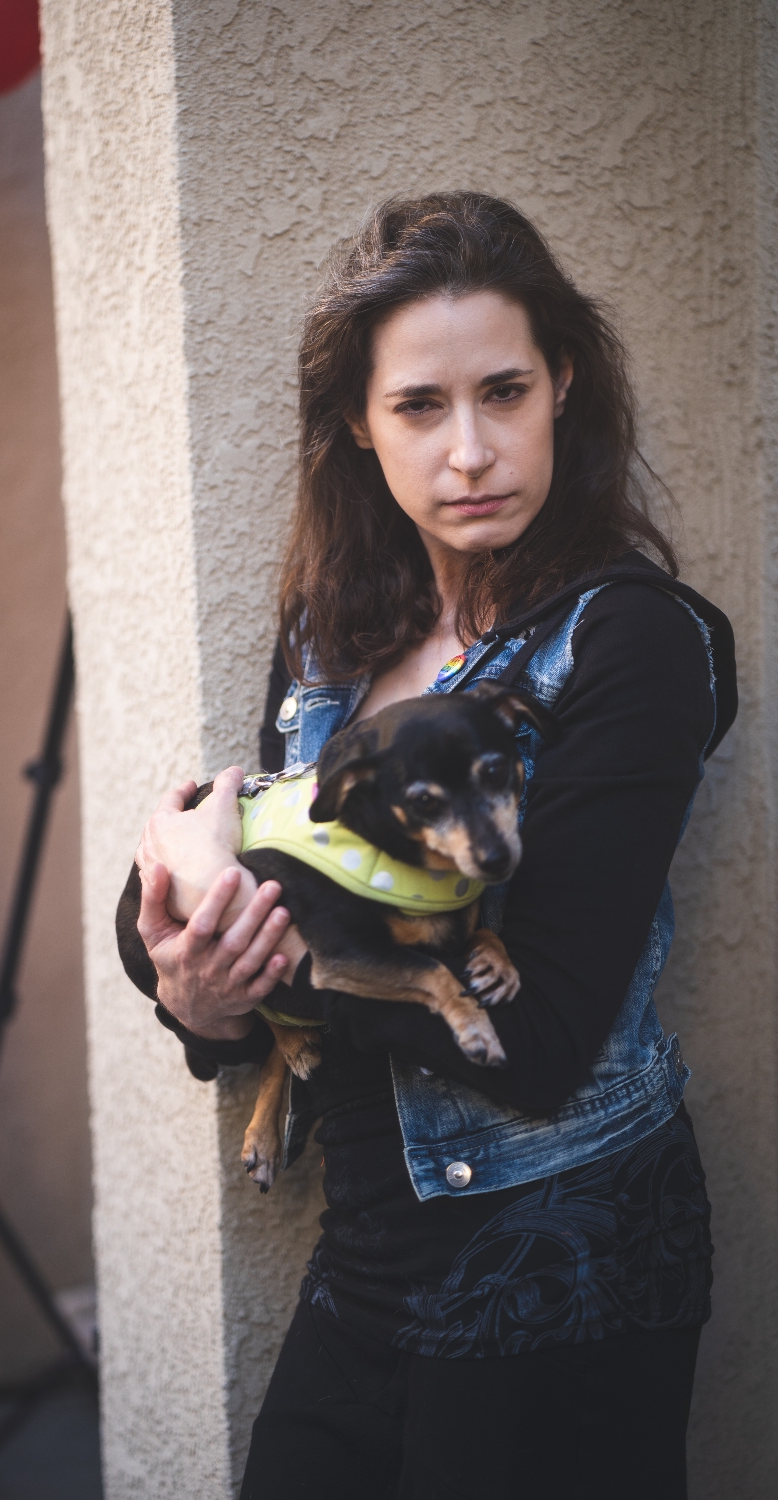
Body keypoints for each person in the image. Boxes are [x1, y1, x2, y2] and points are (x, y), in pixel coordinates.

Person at [132, 193, 737, 1500]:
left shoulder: (630, 642)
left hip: (566, 1271)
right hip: (365, 1259)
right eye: (419, 406)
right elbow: (268, 935)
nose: (470, 451)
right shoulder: (330, 646)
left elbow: (536, 1039)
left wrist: (232, 907)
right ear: (362, 423)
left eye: (503, 392)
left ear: (562, 382)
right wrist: (195, 990)